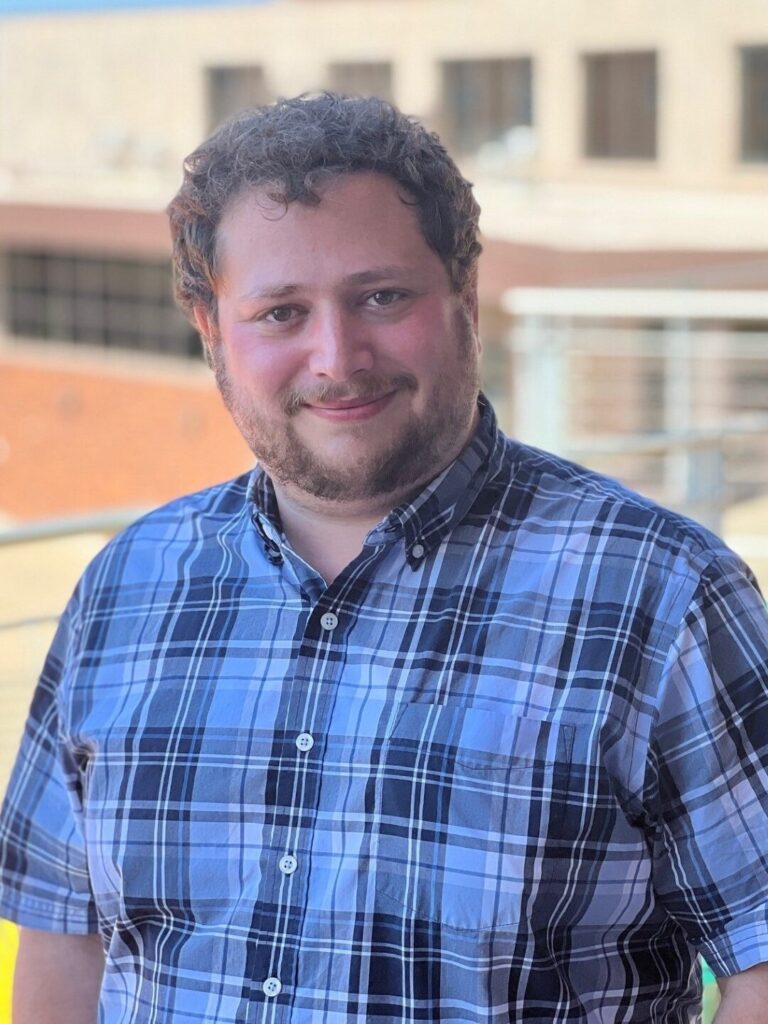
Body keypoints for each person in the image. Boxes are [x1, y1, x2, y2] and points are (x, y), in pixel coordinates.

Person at [1, 93, 768, 1024]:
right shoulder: (125, 588)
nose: (338, 358)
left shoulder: (666, 593)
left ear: (464, 297)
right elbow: (64, 946)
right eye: (281, 312)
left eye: (381, 297)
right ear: (211, 332)